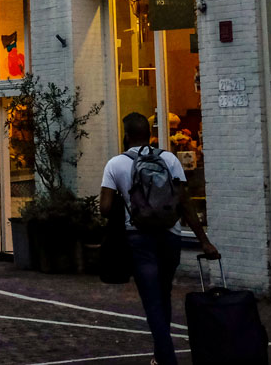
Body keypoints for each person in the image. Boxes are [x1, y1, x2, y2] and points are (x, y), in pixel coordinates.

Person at [100, 112, 218, 365]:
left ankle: (167, 359)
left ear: (127, 135)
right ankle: (159, 354)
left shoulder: (115, 164)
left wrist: (124, 197)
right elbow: (185, 202)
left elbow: (105, 208)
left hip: (139, 239)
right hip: (170, 236)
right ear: (149, 135)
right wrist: (203, 241)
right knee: (163, 294)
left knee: (152, 300)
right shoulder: (169, 159)